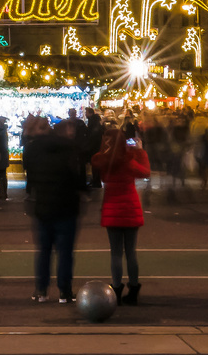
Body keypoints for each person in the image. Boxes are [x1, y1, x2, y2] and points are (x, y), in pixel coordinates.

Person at [24, 115, 86, 302]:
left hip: (43, 206)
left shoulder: (32, 150)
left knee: (44, 252)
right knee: (65, 253)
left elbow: (31, 178)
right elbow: (76, 176)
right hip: (66, 206)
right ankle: (64, 291)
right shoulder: (66, 147)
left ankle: (41, 290)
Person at [93, 124, 151, 304]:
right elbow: (145, 172)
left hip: (112, 207)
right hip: (130, 206)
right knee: (131, 252)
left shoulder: (103, 160)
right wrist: (140, 151)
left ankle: (116, 288)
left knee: (115, 253)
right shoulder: (129, 160)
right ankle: (133, 289)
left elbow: (102, 175)